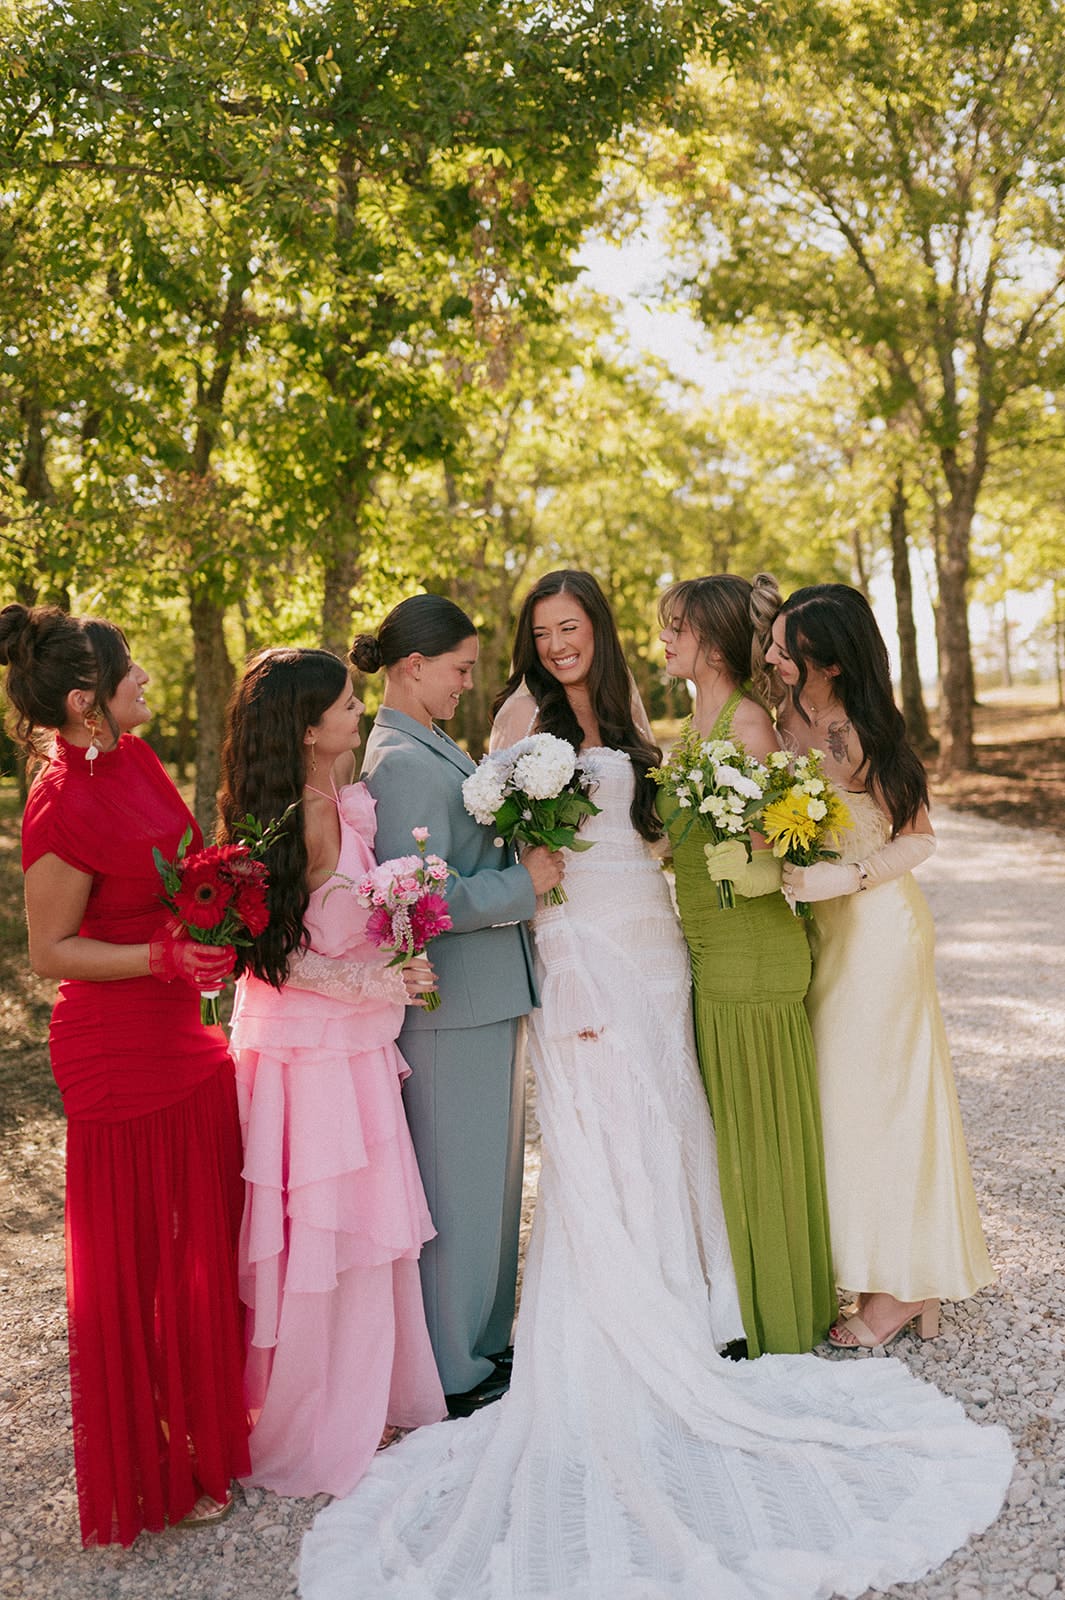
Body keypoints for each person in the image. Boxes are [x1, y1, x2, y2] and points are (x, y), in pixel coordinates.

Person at [297, 570, 1012, 1600]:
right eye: (542, 632)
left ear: (597, 628)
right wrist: (548, 922)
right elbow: (500, 842)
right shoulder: (512, 714)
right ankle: (619, 1321)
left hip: (654, 942)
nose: (559, 645)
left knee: (677, 1118)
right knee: (601, 1125)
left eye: (572, 626)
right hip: (579, 942)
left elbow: (653, 832)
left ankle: (700, 1302)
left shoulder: (635, 707)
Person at [1, 602, 249, 1546]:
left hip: (181, 1025)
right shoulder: (60, 798)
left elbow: (174, 877)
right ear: (85, 702)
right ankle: (150, 1465)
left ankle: (205, 1431)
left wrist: (214, 917)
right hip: (115, 1048)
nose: (145, 678)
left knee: (200, 1241)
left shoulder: (133, 758)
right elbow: (50, 951)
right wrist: (159, 958)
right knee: (139, 1261)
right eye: (128, 671)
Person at [217, 647, 446, 1495]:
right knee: (325, 1231)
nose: (361, 713)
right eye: (349, 705)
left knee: (357, 1230)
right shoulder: (300, 817)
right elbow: (270, 956)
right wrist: (372, 978)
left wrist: (392, 949)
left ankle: (366, 1391)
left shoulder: (329, 802)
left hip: (344, 1044)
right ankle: (316, 1410)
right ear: (311, 729)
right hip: (306, 1053)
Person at [767, 583, 994, 1350]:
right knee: (843, 1103)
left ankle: (902, 1287)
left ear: (827, 661)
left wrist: (847, 877)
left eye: (787, 647)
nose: (775, 656)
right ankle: (878, 1269)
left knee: (883, 1103)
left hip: (880, 931)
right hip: (828, 934)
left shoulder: (863, 729)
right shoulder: (785, 720)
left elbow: (919, 838)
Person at [353, 595, 562, 1413]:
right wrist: (525, 883)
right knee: (457, 1189)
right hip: (449, 1003)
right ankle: (452, 1368)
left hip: (481, 994)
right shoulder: (399, 761)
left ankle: (481, 1343)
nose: (466, 684)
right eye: (459, 670)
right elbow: (418, 899)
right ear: (413, 666)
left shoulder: (430, 742)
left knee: (491, 1186)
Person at [657, 573, 836, 1355]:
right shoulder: (693, 724)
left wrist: (748, 855)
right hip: (703, 945)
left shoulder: (750, 726)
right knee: (729, 1131)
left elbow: (794, 848)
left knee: (759, 1133)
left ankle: (779, 1316)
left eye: (676, 629)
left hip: (751, 949)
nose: (663, 639)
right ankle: (742, 1303)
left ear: (716, 641)